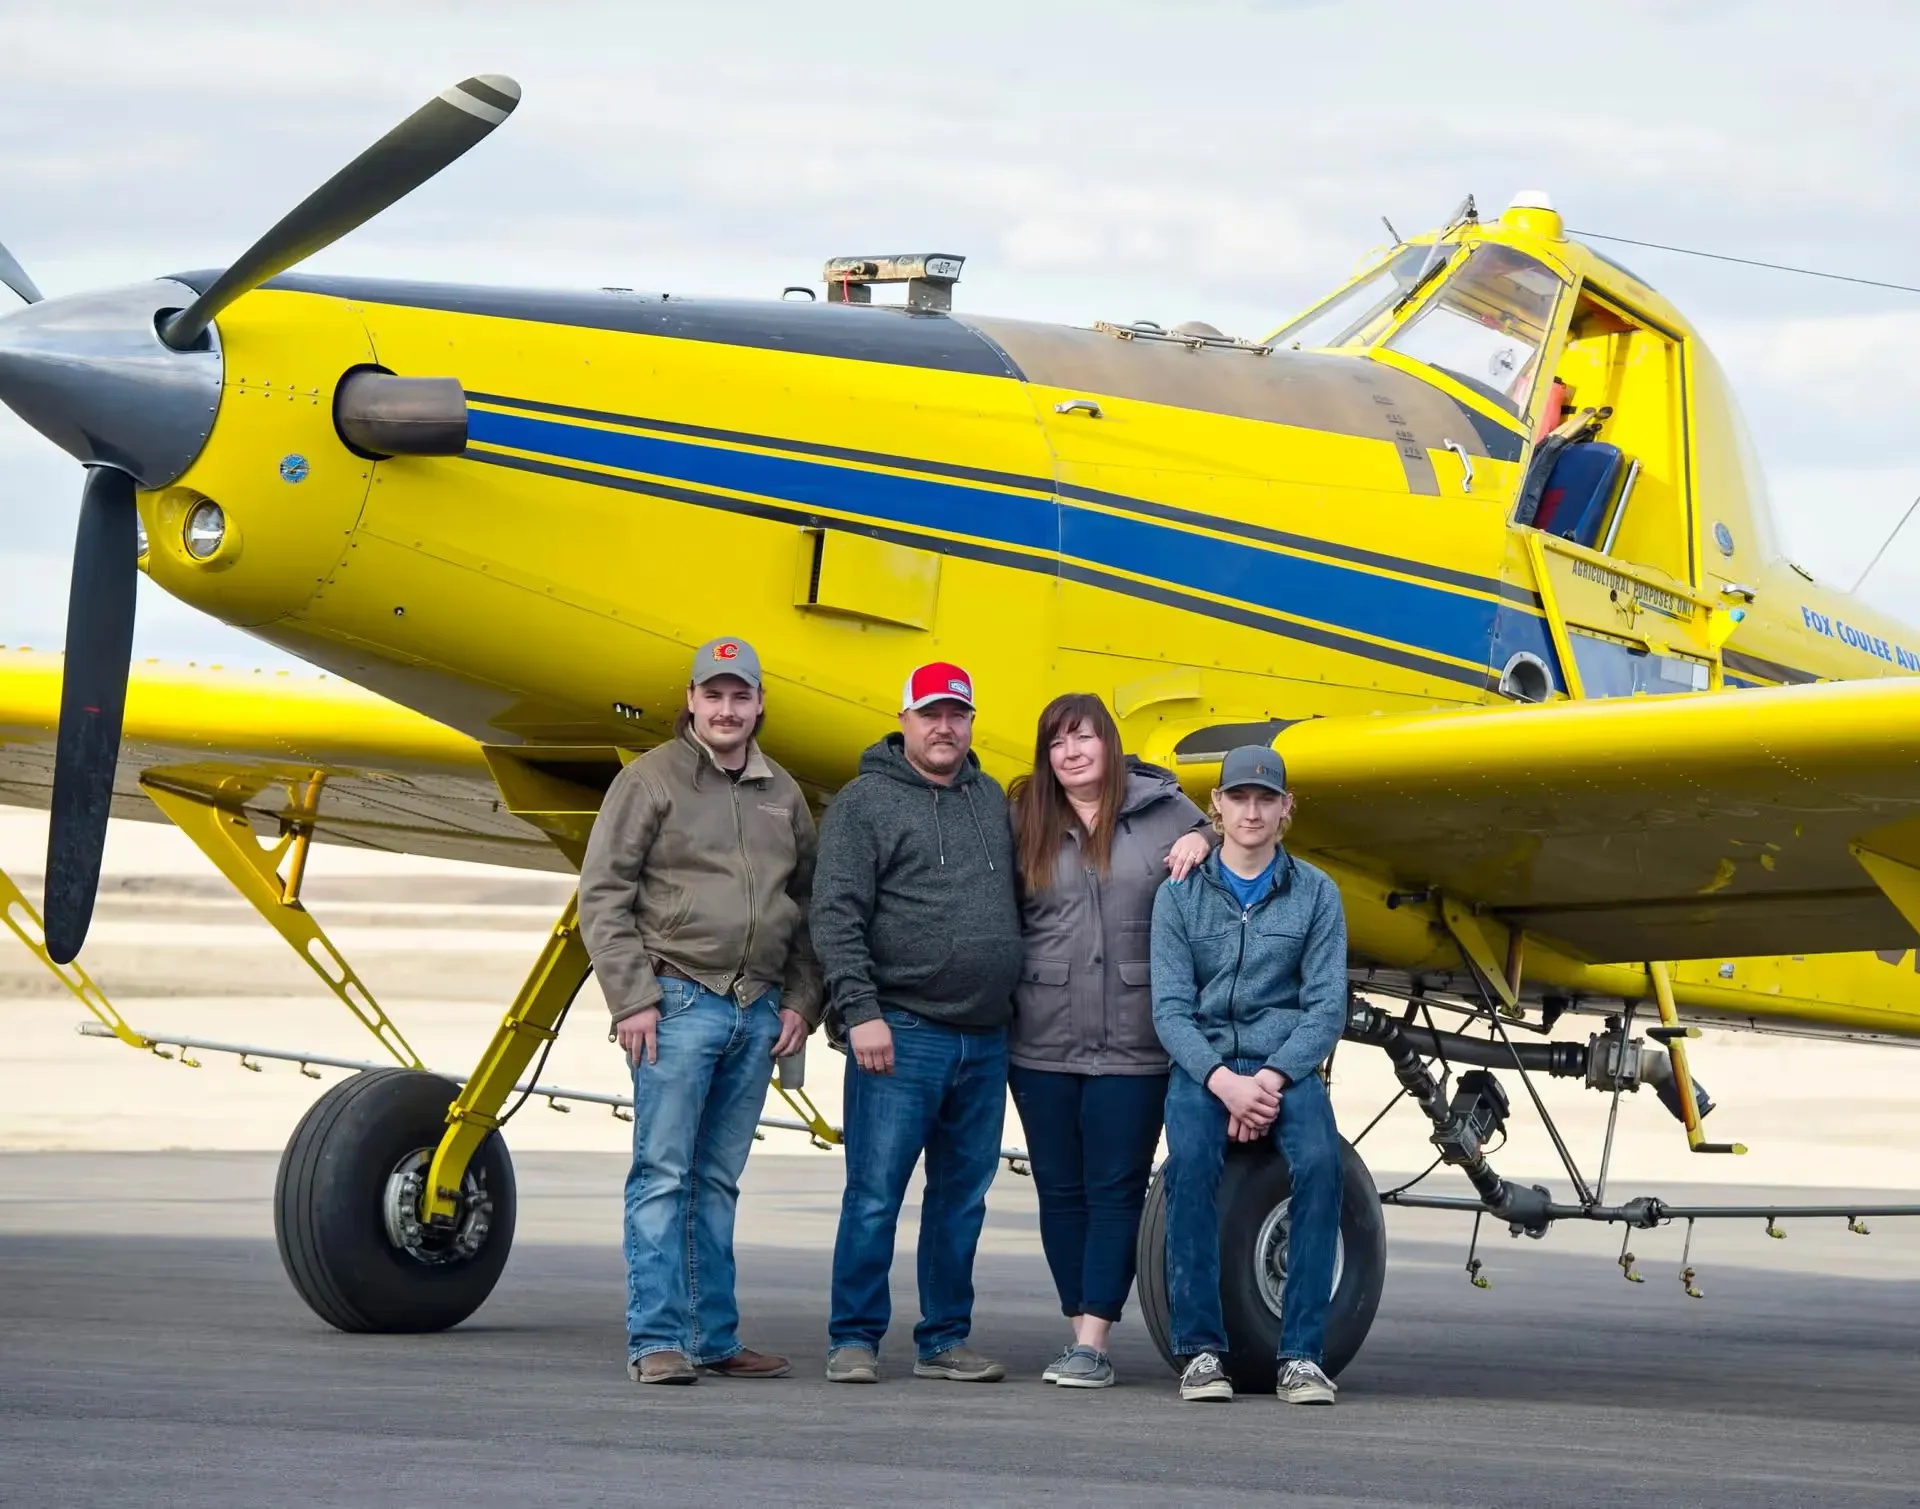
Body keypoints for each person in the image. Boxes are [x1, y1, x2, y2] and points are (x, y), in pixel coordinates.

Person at [578, 636, 821, 1386]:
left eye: (739, 695)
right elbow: (603, 894)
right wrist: (632, 998)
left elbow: (810, 909)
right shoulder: (648, 782)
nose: (725, 708)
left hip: (757, 1010)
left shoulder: (783, 792)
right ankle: (656, 1340)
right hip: (678, 1001)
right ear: (690, 700)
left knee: (716, 1179)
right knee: (662, 1173)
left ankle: (714, 1336)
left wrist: (802, 1002)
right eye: (712, 695)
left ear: (758, 705)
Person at [810, 661, 1022, 1385]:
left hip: (986, 1039)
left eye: (957, 714)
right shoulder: (863, 803)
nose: (944, 726)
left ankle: (944, 1338)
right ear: (903, 720)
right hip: (900, 1034)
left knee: (962, 1197)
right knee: (875, 1194)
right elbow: (834, 915)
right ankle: (855, 1336)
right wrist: (859, 1013)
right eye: (930, 713)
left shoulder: (991, 798)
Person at [1006, 693, 1211, 1390]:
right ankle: (1078, 1333)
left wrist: (1206, 836)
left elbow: (1245, 847)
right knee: (1060, 1190)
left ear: (1111, 744)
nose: (1072, 751)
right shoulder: (1023, 814)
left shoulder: (1165, 809)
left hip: (1136, 1036)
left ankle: (1093, 1339)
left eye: (1085, 737)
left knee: (1116, 1187)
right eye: (1058, 740)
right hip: (1042, 1036)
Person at [1149, 745, 1348, 1406]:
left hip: (1283, 1068)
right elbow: (1170, 1010)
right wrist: (1222, 1082)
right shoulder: (1178, 894)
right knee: (1190, 1166)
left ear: (1287, 807)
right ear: (1218, 806)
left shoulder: (1318, 893)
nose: (1253, 810)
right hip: (1203, 1067)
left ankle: (1302, 1356)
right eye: (1240, 797)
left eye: (1266, 798)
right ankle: (1202, 1352)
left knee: (1322, 1165)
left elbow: (1325, 1008)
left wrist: (1270, 1078)